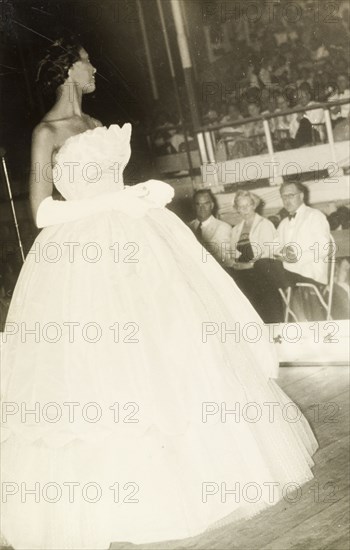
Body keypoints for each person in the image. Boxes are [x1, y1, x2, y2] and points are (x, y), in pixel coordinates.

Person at [1, 37, 318, 550]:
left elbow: (112, 184)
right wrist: (122, 199)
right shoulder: (46, 134)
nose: (94, 67)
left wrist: (138, 196)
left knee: (168, 347)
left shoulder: (98, 126)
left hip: (136, 240)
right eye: (87, 62)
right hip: (82, 254)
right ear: (67, 70)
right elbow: (41, 212)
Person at [227, 190, 284, 323]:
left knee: (256, 281)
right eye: (241, 207)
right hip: (242, 270)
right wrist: (235, 263)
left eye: (248, 205)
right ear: (237, 209)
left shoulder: (265, 224)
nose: (245, 209)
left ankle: (270, 323)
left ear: (254, 205)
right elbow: (232, 253)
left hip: (262, 269)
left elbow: (269, 251)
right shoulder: (235, 230)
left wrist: (250, 265)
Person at [189, 190, 232, 266]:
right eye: (198, 204)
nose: (202, 208)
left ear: (212, 205)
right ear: (193, 206)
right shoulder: (187, 227)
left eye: (206, 203)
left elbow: (225, 259)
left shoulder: (223, 228)